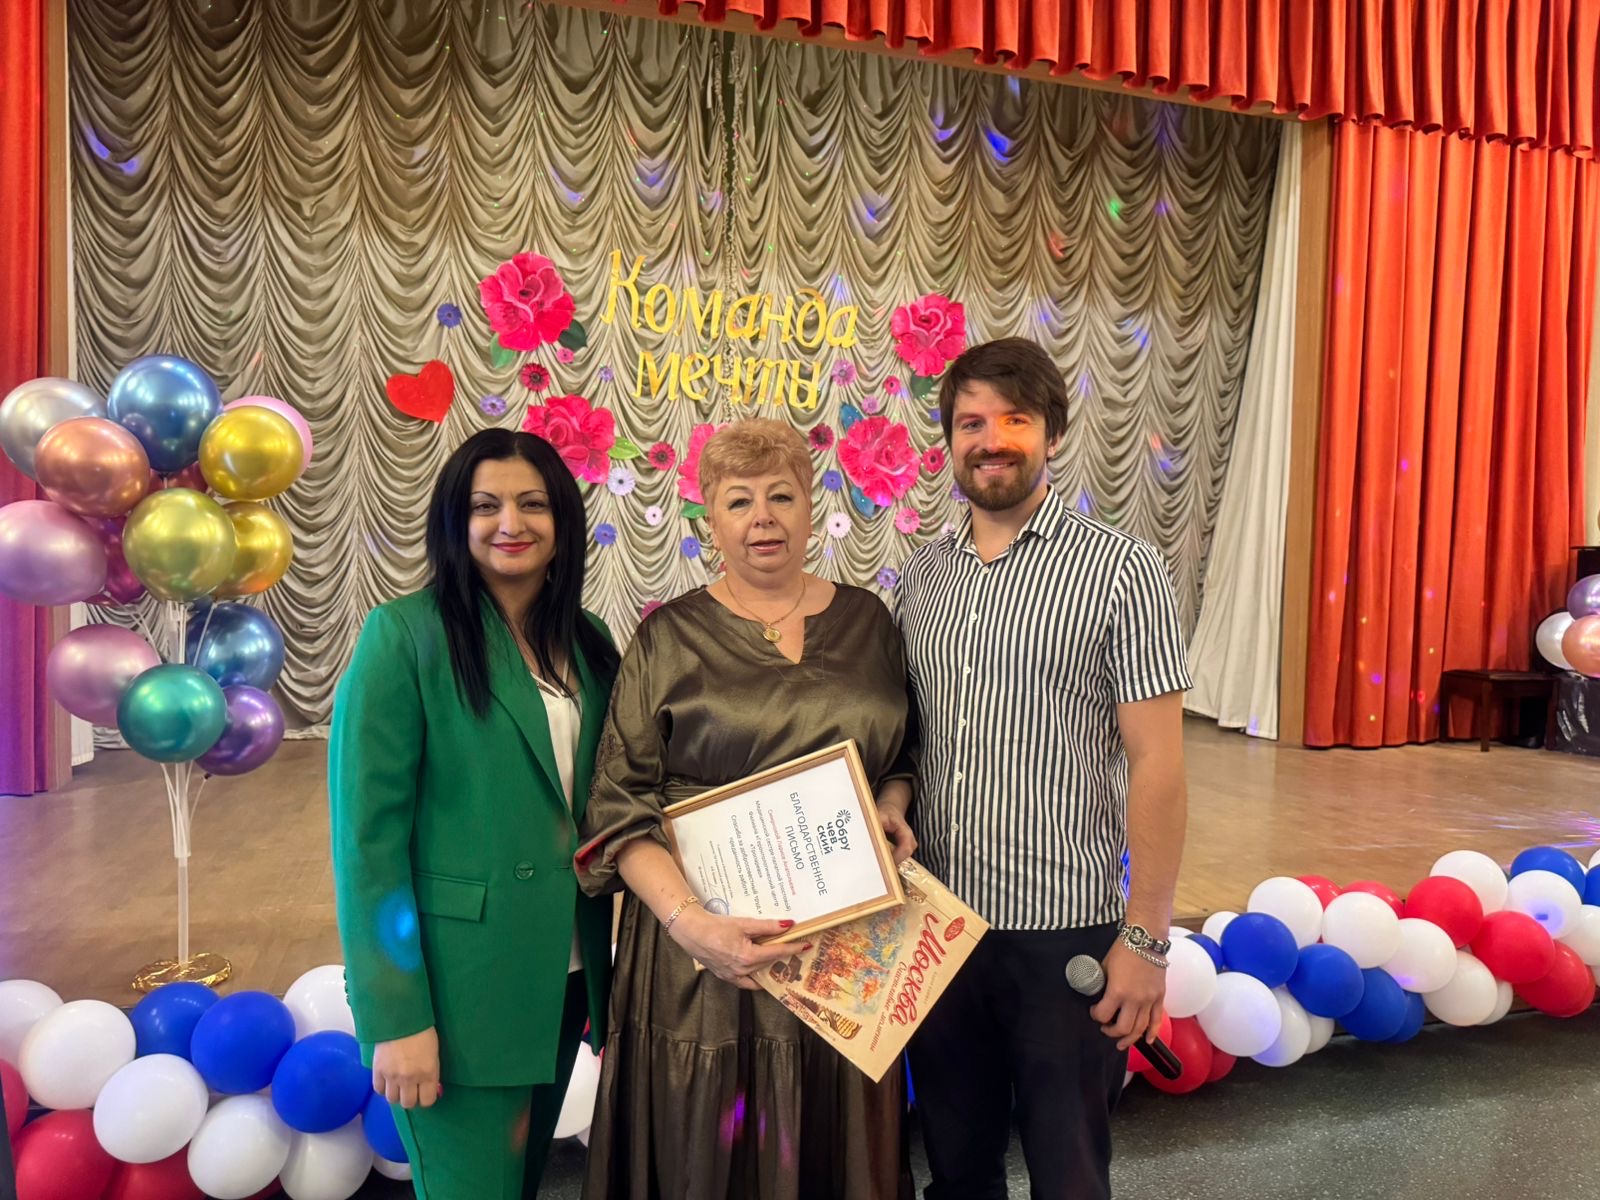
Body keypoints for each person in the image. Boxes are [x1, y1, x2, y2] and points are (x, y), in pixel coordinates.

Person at [575, 418, 918, 1200]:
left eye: (781, 496)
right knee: (711, 1142)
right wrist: (691, 925)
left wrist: (893, 803)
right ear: (712, 522)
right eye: (738, 501)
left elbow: (900, 755)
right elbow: (620, 806)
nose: (762, 517)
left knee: (834, 1133)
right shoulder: (667, 637)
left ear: (810, 508)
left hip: (844, 938)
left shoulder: (868, 620)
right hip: (704, 949)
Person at [887, 338, 1191, 1200]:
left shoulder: (1121, 569)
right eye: (970, 423)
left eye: (1014, 420)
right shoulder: (923, 577)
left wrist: (1146, 939)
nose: (992, 440)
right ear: (949, 441)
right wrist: (894, 798)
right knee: (957, 1172)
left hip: (1065, 933)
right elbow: (910, 739)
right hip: (939, 928)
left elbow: (1159, 763)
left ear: (1051, 433)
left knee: (1070, 1176)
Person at [328, 428, 620, 1199]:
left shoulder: (588, 640)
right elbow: (367, 847)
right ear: (455, 520)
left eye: (532, 504)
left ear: (562, 521)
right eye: (486, 505)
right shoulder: (405, 635)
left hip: (561, 976)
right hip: (460, 990)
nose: (509, 523)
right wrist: (396, 1017)